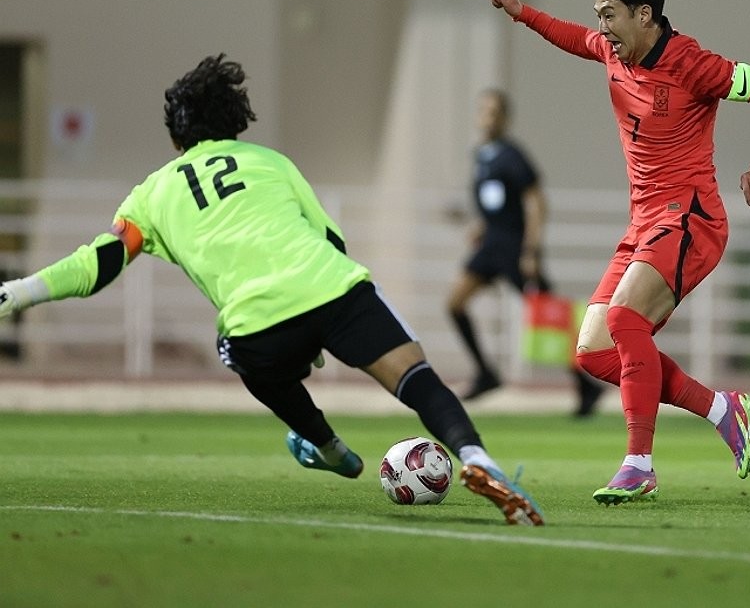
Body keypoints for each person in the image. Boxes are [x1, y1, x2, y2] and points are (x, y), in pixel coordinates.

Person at [0, 54, 544, 526]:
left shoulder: (153, 192)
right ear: (236, 123)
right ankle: (475, 455)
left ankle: (327, 446)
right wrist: (328, 327)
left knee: (246, 358)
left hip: (257, 324)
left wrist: (20, 292)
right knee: (416, 376)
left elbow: (100, 262)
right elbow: (330, 237)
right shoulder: (272, 164)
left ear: (175, 136)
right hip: (333, 288)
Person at [489, 0, 750, 504]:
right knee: (593, 352)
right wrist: (522, 13)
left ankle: (638, 464)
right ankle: (722, 409)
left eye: (611, 15)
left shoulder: (693, 64)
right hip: (645, 223)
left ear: (645, 13)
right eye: (599, 15)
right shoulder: (610, 49)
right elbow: (573, 37)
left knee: (627, 320)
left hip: (691, 218)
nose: (602, 28)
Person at [447, 88, 605, 416]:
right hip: (491, 244)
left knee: (549, 316)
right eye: (483, 111)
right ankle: (486, 373)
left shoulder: (512, 155)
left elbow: (536, 202)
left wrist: (531, 250)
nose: (487, 118)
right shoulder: (481, 154)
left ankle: (587, 384)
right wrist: (481, 226)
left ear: (504, 118)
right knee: (455, 303)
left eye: (493, 112)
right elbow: (497, 203)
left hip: (514, 247)